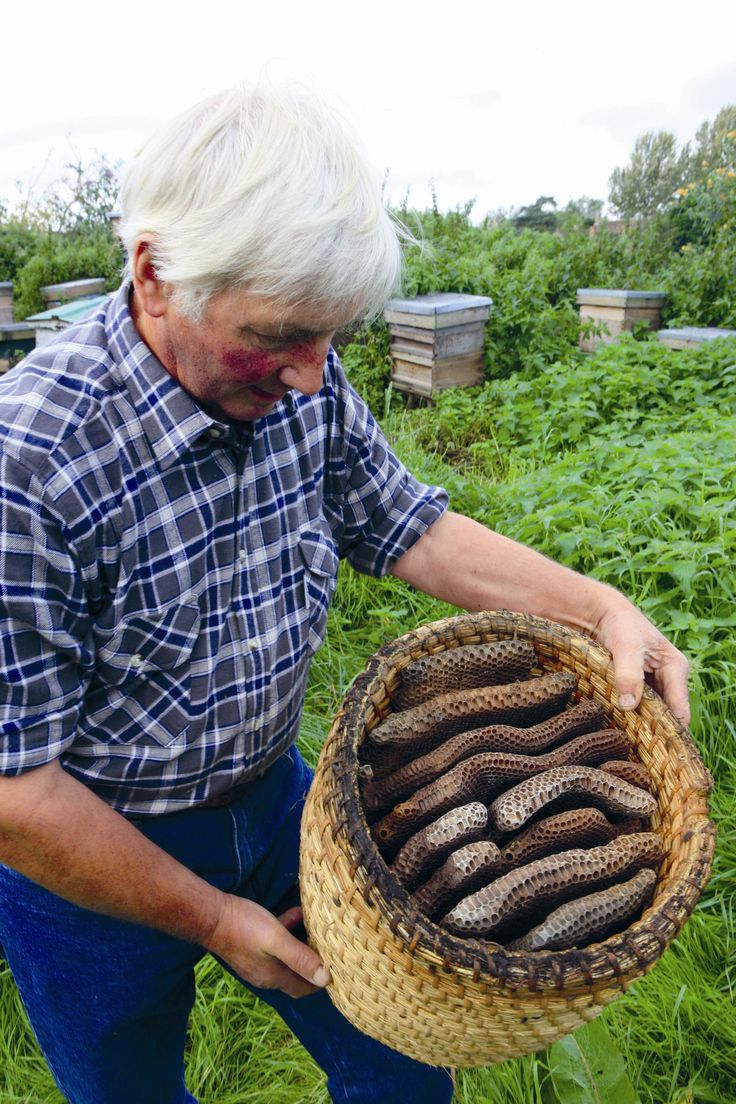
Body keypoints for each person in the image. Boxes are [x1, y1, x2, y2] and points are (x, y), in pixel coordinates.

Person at [0, 84, 689, 1104]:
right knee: (124, 1086)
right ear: (155, 276)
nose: (314, 380)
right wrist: (208, 918)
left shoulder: (297, 384)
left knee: (405, 1069)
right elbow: (16, 791)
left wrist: (594, 608)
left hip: (288, 806)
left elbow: (406, 525)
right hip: (88, 861)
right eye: (277, 336)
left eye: (332, 339)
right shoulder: (31, 464)